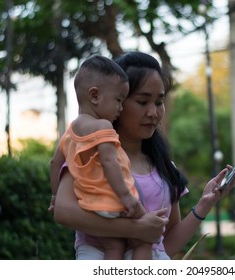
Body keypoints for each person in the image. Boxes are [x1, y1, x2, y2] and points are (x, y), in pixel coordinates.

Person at [53, 51, 235, 260]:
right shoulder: (89, 154)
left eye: (159, 102)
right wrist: (135, 229)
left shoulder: (165, 167)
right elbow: (63, 211)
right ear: (119, 102)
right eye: (142, 102)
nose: (153, 112)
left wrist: (205, 204)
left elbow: (164, 245)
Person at [49, 54, 150, 260]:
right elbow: (109, 161)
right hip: (113, 202)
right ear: (94, 95)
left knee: (113, 245)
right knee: (144, 238)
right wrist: (126, 198)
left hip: (88, 205)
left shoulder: (69, 134)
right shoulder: (103, 127)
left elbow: (55, 164)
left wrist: (55, 196)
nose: (121, 109)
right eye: (118, 100)